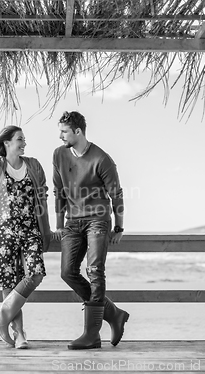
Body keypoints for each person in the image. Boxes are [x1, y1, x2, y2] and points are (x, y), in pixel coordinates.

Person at [51, 111, 130, 350]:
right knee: (68, 272)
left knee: (95, 270)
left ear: (78, 132)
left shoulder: (102, 159)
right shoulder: (59, 154)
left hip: (97, 219)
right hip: (72, 222)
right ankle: (113, 313)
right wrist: (58, 224)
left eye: (64, 131)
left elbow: (116, 194)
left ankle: (92, 334)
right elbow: (58, 191)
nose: (60, 135)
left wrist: (118, 226)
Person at [0, 125, 51, 349]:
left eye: (24, 139)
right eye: (19, 139)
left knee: (35, 275)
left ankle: (1, 319)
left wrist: (47, 227)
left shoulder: (34, 165)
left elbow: (42, 195)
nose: (24, 143)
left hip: (30, 229)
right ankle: (19, 335)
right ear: (7, 143)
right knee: (9, 282)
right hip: (5, 231)